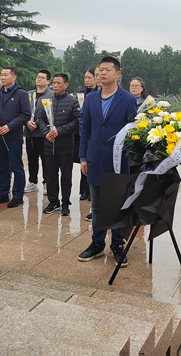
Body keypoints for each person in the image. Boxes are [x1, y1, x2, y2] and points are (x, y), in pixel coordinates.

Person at [78, 56, 137, 266]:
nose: (102, 73)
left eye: (107, 70)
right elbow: (85, 129)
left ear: (117, 74)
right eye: (100, 70)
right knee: (96, 207)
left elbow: (133, 133)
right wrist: (83, 157)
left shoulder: (128, 99)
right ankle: (97, 243)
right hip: (94, 160)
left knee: (118, 205)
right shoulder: (92, 98)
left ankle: (118, 244)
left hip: (118, 162)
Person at [37, 73, 80, 216]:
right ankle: (53, 201)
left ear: (66, 85)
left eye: (58, 83)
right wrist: (46, 133)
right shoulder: (46, 101)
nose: (55, 86)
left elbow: (76, 122)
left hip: (66, 145)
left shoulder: (72, 101)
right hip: (49, 145)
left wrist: (59, 131)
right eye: (54, 83)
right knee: (50, 175)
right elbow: (41, 120)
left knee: (66, 176)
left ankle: (65, 203)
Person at [0, 66, 31, 207]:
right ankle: (2, 193)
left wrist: (10, 126)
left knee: (16, 166)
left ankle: (18, 195)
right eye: (1, 75)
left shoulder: (21, 94)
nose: (2, 77)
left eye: (6, 75)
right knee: (0, 166)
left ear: (14, 77)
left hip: (13, 136)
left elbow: (25, 115)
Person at [24, 70, 53, 193]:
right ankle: (32, 181)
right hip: (30, 133)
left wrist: (37, 123)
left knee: (46, 159)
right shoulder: (29, 94)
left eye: (42, 77)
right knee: (31, 158)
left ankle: (47, 182)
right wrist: (27, 122)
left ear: (48, 81)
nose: (39, 79)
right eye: (38, 77)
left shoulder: (51, 95)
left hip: (43, 133)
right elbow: (23, 111)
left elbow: (51, 114)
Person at [77, 68, 99, 201]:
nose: (87, 80)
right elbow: (81, 116)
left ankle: (92, 192)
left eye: (90, 77)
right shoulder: (83, 94)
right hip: (85, 134)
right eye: (85, 77)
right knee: (84, 164)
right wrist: (82, 129)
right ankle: (84, 190)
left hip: (96, 136)